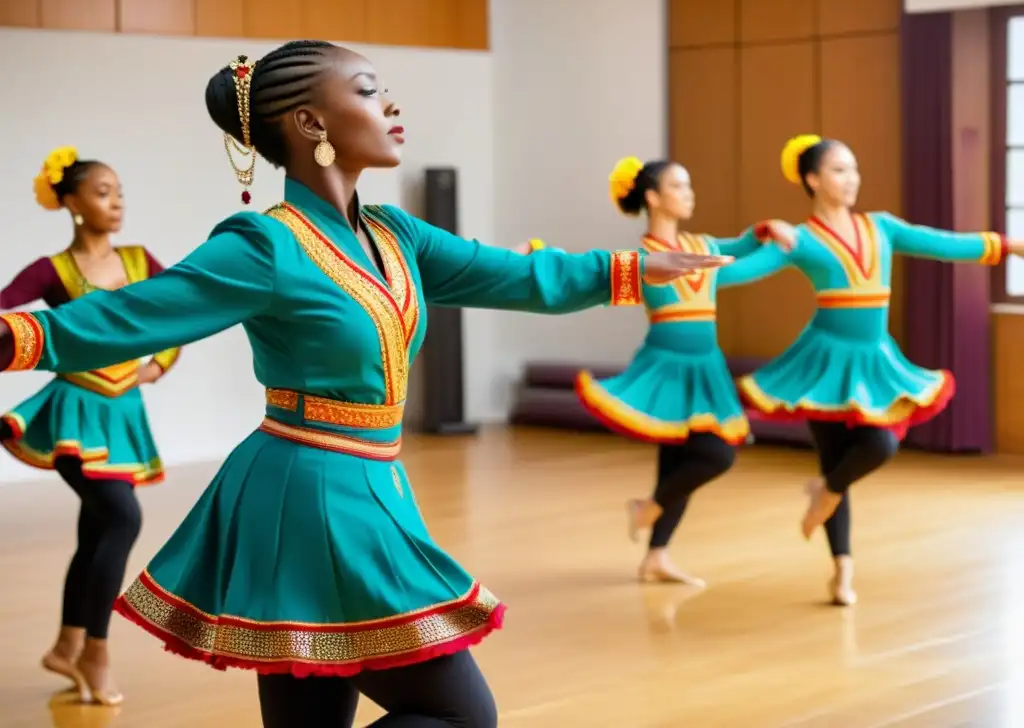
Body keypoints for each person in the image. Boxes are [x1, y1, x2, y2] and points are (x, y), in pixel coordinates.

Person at [0, 41, 732, 727]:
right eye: (369, 91)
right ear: (311, 121)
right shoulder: (266, 243)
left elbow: (519, 276)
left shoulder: (395, 234)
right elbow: (133, 315)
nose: (391, 107)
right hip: (306, 491)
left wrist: (629, 269)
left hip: (367, 484)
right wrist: (14, 337)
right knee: (463, 715)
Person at [724, 134, 1021, 605]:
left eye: (854, 169)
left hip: (874, 359)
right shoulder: (798, 240)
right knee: (835, 456)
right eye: (839, 170)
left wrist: (1010, 245)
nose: (852, 179)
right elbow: (737, 273)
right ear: (812, 179)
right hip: (822, 363)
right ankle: (842, 571)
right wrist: (697, 261)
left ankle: (826, 492)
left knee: (878, 443)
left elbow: (944, 244)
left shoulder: (880, 226)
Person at [520, 157, 797, 586]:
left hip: (706, 368)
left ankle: (656, 556)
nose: (689, 193)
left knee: (678, 459)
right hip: (666, 366)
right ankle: (648, 508)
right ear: (653, 197)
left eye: (689, 185)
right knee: (716, 453)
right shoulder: (640, 258)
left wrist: (763, 230)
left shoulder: (703, 244)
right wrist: (542, 255)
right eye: (679, 186)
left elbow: (741, 246)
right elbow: (586, 272)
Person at [0, 148, 180, 705]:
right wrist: (41, 341)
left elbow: (181, 310)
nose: (116, 201)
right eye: (103, 191)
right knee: (122, 520)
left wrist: (157, 365)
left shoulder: (138, 260)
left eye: (119, 190)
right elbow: (5, 307)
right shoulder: (52, 270)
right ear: (72, 203)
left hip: (124, 418)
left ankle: (66, 645)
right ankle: (96, 650)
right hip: (71, 415)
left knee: (98, 530)